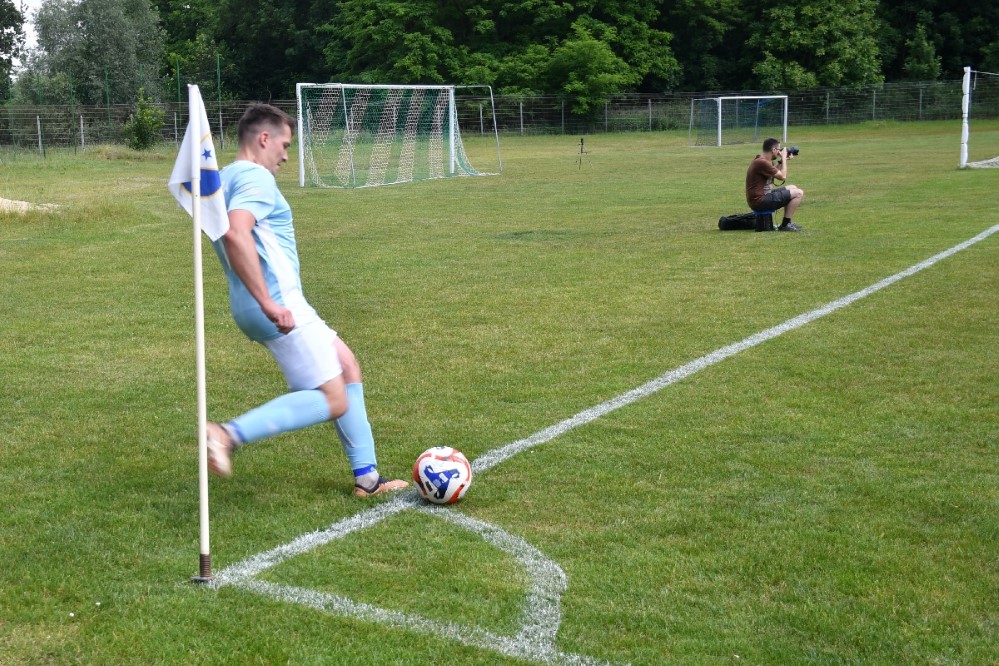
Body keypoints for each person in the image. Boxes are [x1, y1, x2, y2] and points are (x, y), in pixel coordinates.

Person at [204, 103, 408, 498]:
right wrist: (268, 302)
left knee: (347, 366)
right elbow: (236, 234)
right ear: (264, 139)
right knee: (333, 399)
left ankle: (367, 479)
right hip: (277, 303)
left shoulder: (222, 178)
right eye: (284, 144)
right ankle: (228, 434)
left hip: (262, 301)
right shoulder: (255, 177)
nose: (285, 155)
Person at [745, 137, 805, 231]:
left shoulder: (761, 160)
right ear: (773, 150)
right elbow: (782, 176)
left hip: (760, 198)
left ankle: (786, 223)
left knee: (792, 187)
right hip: (760, 201)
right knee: (799, 193)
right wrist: (784, 159)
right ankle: (785, 225)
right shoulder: (762, 162)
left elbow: (773, 172)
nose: (779, 152)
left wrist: (781, 161)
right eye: (778, 149)